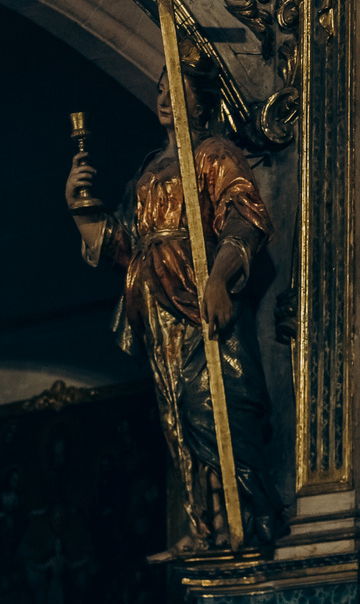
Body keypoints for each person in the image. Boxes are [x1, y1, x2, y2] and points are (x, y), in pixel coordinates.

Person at [64, 68, 281, 554]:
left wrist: (219, 278)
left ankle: (242, 517)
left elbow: (244, 218)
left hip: (197, 299)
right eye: (161, 89)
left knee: (212, 405)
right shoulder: (149, 169)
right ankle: (205, 524)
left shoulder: (214, 154)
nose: (164, 97)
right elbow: (124, 243)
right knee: (177, 416)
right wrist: (81, 208)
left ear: (200, 100)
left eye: (178, 89)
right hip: (156, 309)